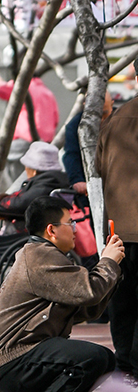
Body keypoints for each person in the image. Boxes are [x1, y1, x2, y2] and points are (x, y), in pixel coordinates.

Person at [0, 196, 123, 392]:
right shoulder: (40, 256)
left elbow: (87, 308)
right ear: (51, 230)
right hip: (13, 358)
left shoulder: (43, 254)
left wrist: (114, 270)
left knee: (103, 359)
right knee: (93, 358)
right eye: (70, 223)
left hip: (20, 356)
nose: (75, 230)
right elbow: (88, 292)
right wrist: (108, 262)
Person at [0, 141, 70, 312]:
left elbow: (20, 203)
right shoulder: (57, 182)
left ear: (34, 169)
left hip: (20, 235)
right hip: (29, 234)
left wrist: (1, 203)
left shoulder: (43, 184)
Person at [97, 95, 138, 377]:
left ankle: (124, 366)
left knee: (121, 301)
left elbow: (99, 168)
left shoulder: (115, 119)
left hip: (117, 231)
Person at [62, 92, 113, 196]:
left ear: (112, 104)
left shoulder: (123, 120)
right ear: (86, 106)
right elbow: (72, 154)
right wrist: (77, 180)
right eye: (96, 115)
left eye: (105, 113)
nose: (101, 120)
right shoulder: (74, 126)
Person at [0, 75, 59, 143]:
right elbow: (56, 119)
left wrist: (1, 82)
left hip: (25, 137)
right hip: (46, 140)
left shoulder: (23, 88)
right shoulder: (48, 93)